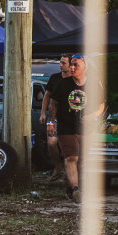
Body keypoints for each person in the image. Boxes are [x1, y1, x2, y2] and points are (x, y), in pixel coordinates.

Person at [46, 54, 105, 203]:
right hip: (66, 127)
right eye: (71, 65)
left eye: (76, 65)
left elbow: (101, 105)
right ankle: (76, 190)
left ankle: (70, 187)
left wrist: (92, 116)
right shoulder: (63, 83)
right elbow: (53, 103)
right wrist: (50, 123)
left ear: (85, 67)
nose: (72, 68)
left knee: (82, 160)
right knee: (71, 158)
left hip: (86, 129)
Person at [40, 53, 72, 181]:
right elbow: (47, 96)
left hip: (70, 118)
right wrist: (43, 113)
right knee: (51, 143)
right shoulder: (54, 78)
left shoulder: (74, 79)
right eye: (60, 62)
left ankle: (70, 173)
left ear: (70, 65)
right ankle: (57, 168)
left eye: (64, 63)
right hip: (55, 117)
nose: (60, 65)